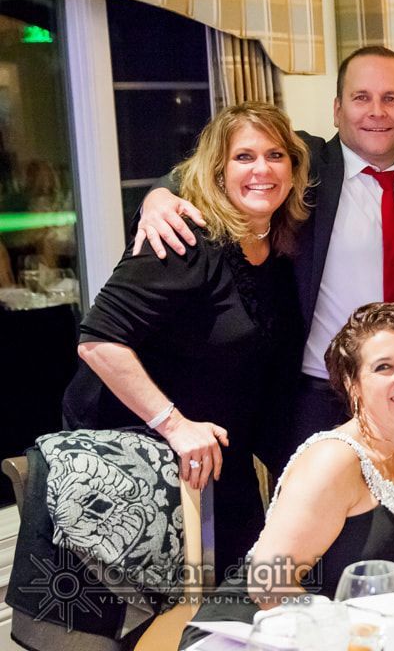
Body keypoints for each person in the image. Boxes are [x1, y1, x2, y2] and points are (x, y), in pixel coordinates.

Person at [134, 47, 394, 463]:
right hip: (323, 396)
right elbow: (220, 166)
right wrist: (159, 196)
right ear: (338, 110)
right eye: (362, 98)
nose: (377, 111)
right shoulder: (307, 164)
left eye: (391, 98)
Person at [61, 102, 309, 573]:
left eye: (276, 155)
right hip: (138, 459)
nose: (262, 169)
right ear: (217, 171)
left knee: (243, 603)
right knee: (157, 631)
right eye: (244, 157)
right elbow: (97, 340)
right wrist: (174, 425)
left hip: (217, 459)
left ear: (294, 171)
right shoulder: (182, 239)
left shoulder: (277, 252)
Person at [178, 303, 394, 648]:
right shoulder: (335, 458)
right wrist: (344, 634)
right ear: (353, 386)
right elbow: (267, 584)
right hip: (249, 633)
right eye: (383, 368)